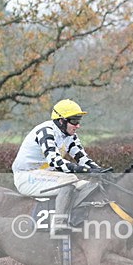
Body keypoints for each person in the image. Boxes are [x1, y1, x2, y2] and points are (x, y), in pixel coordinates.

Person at [12, 99, 103, 231]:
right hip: (26, 176)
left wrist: (101, 171)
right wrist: (83, 170)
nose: (78, 125)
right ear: (61, 121)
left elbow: (83, 159)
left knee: (90, 186)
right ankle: (59, 224)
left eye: (79, 121)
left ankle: (78, 217)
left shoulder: (70, 136)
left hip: (46, 175)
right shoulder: (46, 131)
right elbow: (55, 161)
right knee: (69, 181)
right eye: (74, 121)